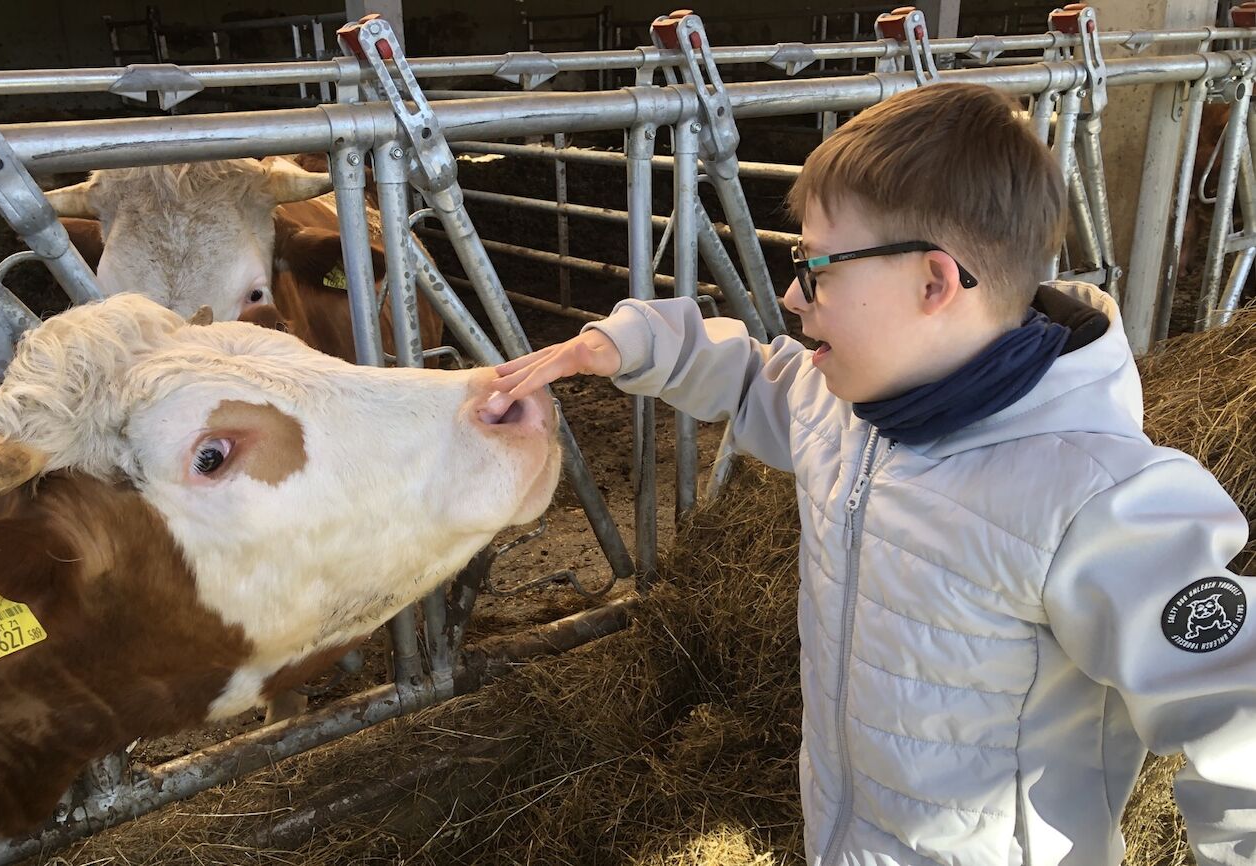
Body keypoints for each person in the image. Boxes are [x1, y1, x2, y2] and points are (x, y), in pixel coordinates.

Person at [482, 83, 1256, 865]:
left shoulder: (1094, 499)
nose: (792, 296)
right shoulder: (850, 404)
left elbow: (1237, 710)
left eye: (816, 267)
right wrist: (632, 346)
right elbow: (756, 380)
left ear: (933, 282)